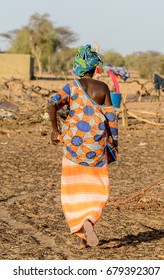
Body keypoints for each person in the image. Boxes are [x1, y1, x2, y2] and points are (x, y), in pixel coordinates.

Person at [48, 44, 121, 249]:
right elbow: (110, 119)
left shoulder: (71, 86)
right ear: (94, 68)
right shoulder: (103, 88)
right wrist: (113, 145)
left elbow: (52, 104)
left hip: (73, 146)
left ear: (78, 67)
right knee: (95, 187)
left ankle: (81, 235)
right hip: (95, 146)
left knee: (73, 188)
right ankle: (89, 220)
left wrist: (55, 130)